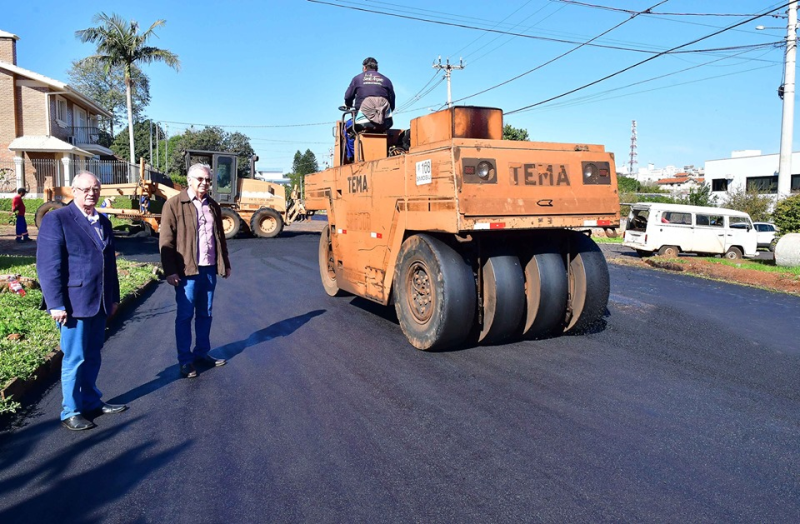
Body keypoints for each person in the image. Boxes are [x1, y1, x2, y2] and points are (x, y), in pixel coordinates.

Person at [37, 171, 127, 431]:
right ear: (74, 191)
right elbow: (48, 265)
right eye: (86, 189)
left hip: (99, 302)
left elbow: (109, 264)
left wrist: (114, 297)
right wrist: (55, 304)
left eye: (96, 189)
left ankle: (90, 401)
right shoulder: (58, 219)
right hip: (73, 303)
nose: (92, 193)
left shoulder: (103, 221)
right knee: (74, 358)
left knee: (93, 355)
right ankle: (71, 411)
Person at [159, 164, 231, 379]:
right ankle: (185, 360)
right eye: (200, 179)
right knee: (185, 315)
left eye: (208, 180)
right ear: (189, 180)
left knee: (205, 313)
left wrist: (225, 263)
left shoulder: (213, 206)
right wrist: (170, 271)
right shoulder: (174, 204)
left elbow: (220, 238)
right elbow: (166, 241)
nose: (204, 183)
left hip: (208, 268)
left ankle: (201, 353)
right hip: (186, 271)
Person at [343, 57, 396, 161]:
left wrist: (348, 105)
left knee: (346, 128)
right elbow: (392, 102)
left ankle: (353, 157)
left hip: (363, 120)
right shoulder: (386, 80)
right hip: (384, 121)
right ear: (377, 68)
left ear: (364, 68)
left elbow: (348, 97)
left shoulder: (357, 79)